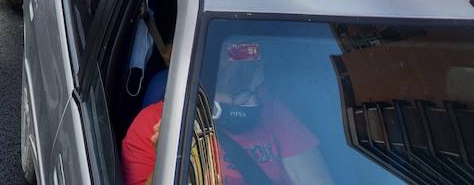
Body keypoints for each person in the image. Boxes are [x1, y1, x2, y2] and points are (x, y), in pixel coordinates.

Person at [123, 38, 333, 185]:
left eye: (254, 60)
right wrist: (168, 157)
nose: (252, 71)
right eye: (238, 56)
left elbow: (316, 180)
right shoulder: (158, 124)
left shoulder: (270, 109)